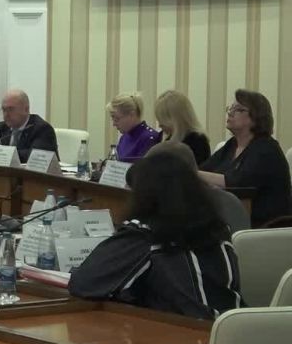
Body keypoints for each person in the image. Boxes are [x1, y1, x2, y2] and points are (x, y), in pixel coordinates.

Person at [68, 151, 241, 319]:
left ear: (145, 196)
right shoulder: (218, 229)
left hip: (184, 331)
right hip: (235, 328)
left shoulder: (145, 236)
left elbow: (84, 284)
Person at [199, 90, 290, 226]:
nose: (230, 113)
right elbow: (205, 169)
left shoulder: (266, 149)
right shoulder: (232, 145)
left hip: (264, 226)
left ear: (256, 117)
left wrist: (192, 173)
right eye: (230, 108)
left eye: (238, 109)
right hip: (233, 219)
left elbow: (237, 183)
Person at [0, 89, 58, 163]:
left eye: (11, 109)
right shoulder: (1, 127)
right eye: (4, 110)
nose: (6, 114)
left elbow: (34, 157)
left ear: (26, 109)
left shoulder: (42, 129)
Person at [154, 90, 211, 164]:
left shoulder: (198, 141)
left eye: (163, 119)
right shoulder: (168, 140)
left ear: (176, 118)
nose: (160, 125)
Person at [108, 92, 161, 162]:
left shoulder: (150, 138)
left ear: (132, 115)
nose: (114, 124)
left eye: (117, 119)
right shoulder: (124, 137)